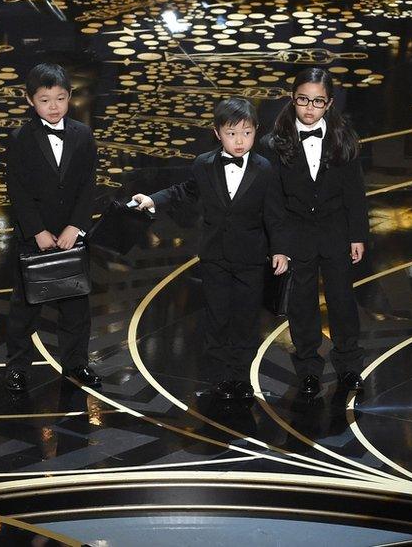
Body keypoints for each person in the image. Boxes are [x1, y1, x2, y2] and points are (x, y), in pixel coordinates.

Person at [132, 98, 289, 403]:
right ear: (218, 133)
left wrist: (280, 250)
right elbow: (185, 191)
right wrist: (153, 199)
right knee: (216, 318)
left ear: (256, 131)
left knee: (245, 320)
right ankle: (219, 378)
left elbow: (275, 213)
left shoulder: (265, 168)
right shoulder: (204, 164)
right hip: (215, 256)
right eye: (232, 133)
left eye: (246, 133)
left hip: (251, 258)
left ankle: (241, 378)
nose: (239, 140)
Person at [259, 67, 369, 398]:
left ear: (329, 103)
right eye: (303, 100)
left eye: (318, 102)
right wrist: (278, 246)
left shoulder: (343, 138)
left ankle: (349, 365)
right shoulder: (273, 143)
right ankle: (308, 367)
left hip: (335, 231)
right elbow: (272, 203)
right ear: (292, 99)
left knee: (342, 300)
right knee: (301, 305)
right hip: (296, 235)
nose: (309, 108)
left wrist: (358, 235)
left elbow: (355, 192)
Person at [4, 63, 100, 393]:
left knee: (76, 307)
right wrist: (37, 231)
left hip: (71, 236)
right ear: (31, 100)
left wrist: (76, 226)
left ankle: (75, 365)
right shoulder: (20, 138)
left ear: (70, 97)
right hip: (35, 237)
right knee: (25, 307)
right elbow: (16, 191)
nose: (54, 107)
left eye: (60, 98)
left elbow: (89, 185)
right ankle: (16, 368)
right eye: (45, 100)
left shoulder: (83, 135)